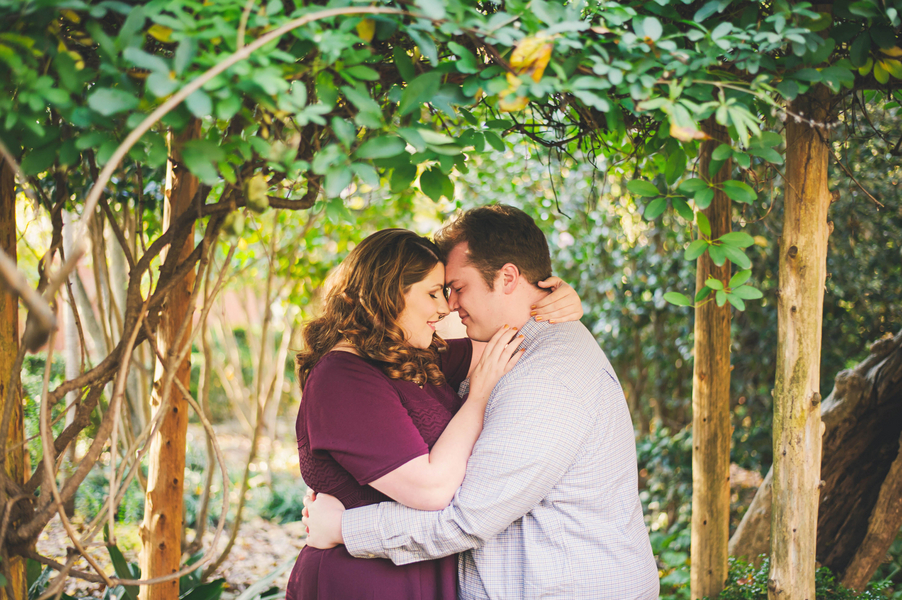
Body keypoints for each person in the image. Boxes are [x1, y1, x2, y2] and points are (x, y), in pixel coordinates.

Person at [304, 206, 660, 599]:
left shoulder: (545, 375)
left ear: (508, 277)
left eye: (456, 287)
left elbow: (466, 517)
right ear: (388, 294)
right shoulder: (508, 350)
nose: (449, 305)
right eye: (438, 291)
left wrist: (344, 528)